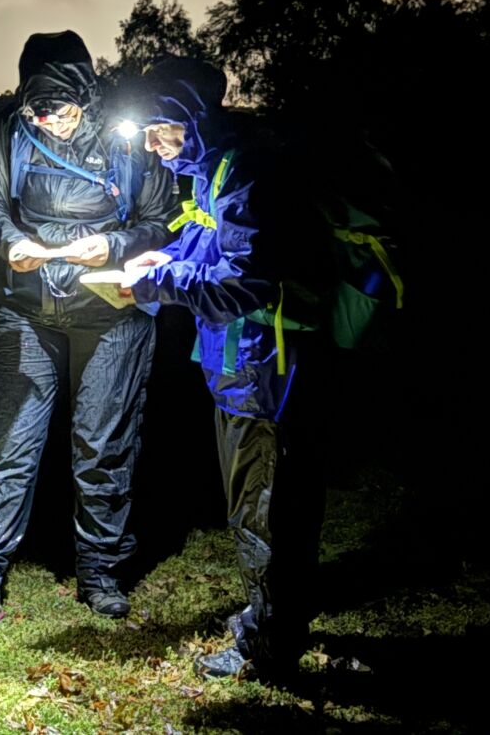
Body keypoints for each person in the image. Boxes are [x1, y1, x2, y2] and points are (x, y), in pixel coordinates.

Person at [0, 30, 179, 638]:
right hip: (28, 308)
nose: (51, 123)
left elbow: (160, 220)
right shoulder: (13, 135)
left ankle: (101, 574)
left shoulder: (128, 141)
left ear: (86, 98)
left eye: (62, 111)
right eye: (38, 111)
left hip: (111, 309)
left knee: (102, 445)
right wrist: (10, 240)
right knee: (10, 446)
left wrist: (113, 244)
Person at [119, 57, 337, 681]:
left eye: (163, 130)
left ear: (195, 119)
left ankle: (267, 646)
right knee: (261, 499)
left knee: (263, 503)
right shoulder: (219, 168)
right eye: (148, 135)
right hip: (240, 364)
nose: (154, 147)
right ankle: (266, 621)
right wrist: (169, 253)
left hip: (264, 367)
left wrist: (156, 281)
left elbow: (245, 279)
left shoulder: (245, 168)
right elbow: (219, 243)